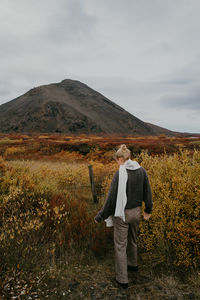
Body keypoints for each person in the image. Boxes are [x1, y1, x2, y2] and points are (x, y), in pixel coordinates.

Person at [94, 144, 153, 289]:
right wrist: (148, 209)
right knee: (133, 240)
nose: (117, 163)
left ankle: (122, 280)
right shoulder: (141, 171)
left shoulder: (119, 174)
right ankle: (133, 266)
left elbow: (111, 199)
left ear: (121, 158)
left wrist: (101, 215)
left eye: (117, 160)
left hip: (122, 214)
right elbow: (148, 192)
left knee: (120, 246)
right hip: (136, 212)